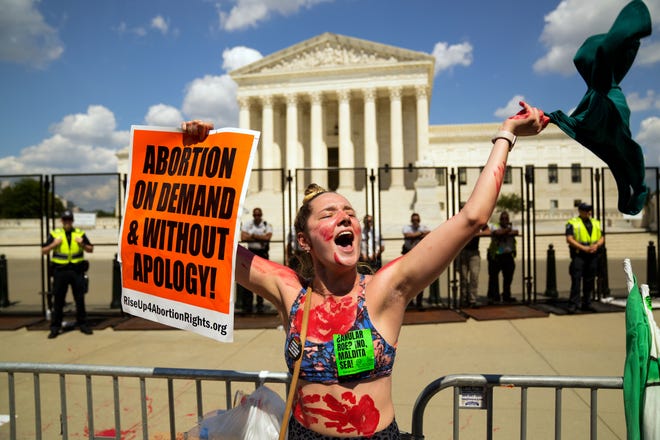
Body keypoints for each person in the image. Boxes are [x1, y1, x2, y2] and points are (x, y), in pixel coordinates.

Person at [181, 101, 546, 439]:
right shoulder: (288, 291)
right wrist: (196, 159)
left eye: (350, 213)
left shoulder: (387, 289)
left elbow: (473, 217)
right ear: (304, 241)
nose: (345, 217)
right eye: (328, 214)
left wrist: (507, 133)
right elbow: (208, 239)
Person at [41, 210, 94, 339]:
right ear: (61, 221)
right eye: (65, 220)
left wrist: (81, 243)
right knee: (58, 301)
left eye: (69, 220)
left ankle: (83, 324)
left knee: (80, 300)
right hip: (60, 271)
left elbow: (90, 249)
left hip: (76, 271)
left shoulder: (79, 233)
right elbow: (44, 251)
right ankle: (55, 328)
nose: (67, 222)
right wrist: (54, 244)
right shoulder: (55, 234)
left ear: (72, 221)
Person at [565, 202, 605, 313]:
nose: (589, 212)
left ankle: (587, 303)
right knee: (576, 280)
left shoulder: (595, 222)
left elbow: (602, 237)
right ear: (580, 211)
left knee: (589, 280)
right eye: (586, 210)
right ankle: (573, 304)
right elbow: (569, 239)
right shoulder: (573, 223)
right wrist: (584, 248)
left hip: (592, 255)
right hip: (579, 255)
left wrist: (596, 245)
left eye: (590, 210)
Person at [239, 207, 273, 313]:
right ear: (253, 215)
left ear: (261, 215)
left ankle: (260, 305)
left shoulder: (266, 225)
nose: (257, 217)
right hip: (251, 253)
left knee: (261, 281)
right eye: (255, 215)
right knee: (249, 279)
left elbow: (267, 238)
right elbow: (243, 237)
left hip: (262, 254)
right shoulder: (248, 224)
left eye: (258, 215)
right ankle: (248, 306)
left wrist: (252, 236)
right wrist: (259, 237)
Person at [486, 211, 519, 304]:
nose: (505, 220)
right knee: (494, 277)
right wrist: (507, 231)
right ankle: (495, 296)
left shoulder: (512, 226)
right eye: (503, 218)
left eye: (506, 218)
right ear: (500, 219)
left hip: (508, 255)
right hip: (496, 255)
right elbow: (497, 233)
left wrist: (506, 231)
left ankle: (506, 295)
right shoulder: (494, 225)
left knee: (508, 277)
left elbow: (516, 232)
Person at [457, 218, 490, 308]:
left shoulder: (478, 221)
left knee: (474, 276)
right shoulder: (461, 222)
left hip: (474, 252)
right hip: (463, 251)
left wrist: (476, 234)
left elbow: (488, 231)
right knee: (463, 277)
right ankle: (463, 299)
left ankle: (472, 299)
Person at [401, 213, 431, 309]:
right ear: (411, 220)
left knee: (420, 280)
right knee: (408, 279)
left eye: (417, 220)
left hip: (419, 257)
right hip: (408, 255)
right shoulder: (407, 227)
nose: (415, 222)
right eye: (414, 220)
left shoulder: (423, 227)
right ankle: (409, 302)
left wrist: (416, 235)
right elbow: (407, 235)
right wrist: (420, 234)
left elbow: (429, 233)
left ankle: (419, 302)